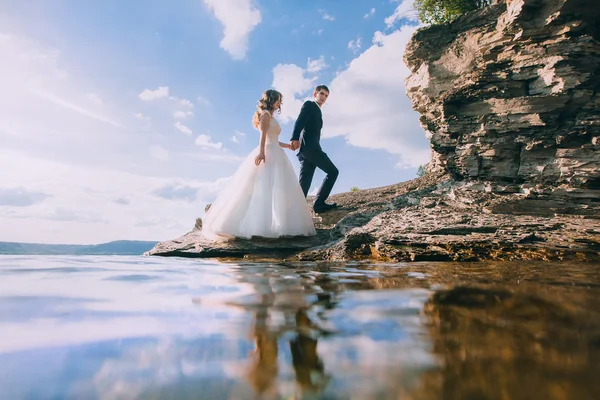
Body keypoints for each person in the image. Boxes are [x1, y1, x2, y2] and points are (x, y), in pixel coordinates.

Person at [201, 89, 316, 240]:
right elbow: (263, 137)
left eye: (279, 101)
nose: (279, 103)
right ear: (271, 100)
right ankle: (244, 226)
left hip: (276, 152)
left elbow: (273, 139)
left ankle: (279, 225)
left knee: (278, 188)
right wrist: (261, 153)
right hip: (268, 153)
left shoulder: (270, 116)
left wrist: (287, 146)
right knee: (261, 187)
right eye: (277, 100)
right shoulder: (265, 115)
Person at [289, 85, 339, 213]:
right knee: (333, 172)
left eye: (326, 96)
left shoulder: (318, 111)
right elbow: (300, 121)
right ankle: (319, 203)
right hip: (311, 149)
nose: (323, 97)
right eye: (322, 94)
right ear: (315, 94)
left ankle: (294, 213)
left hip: (307, 151)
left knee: (304, 185)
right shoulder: (310, 105)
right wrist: (294, 138)